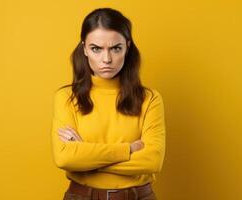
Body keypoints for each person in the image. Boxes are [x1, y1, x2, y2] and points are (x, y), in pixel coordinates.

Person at [50, 7, 166, 200]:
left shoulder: (150, 99)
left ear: (127, 47)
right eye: (96, 48)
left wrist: (87, 156)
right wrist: (128, 149)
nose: (107, 59)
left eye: (116, 48)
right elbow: (65, 158)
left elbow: (152, 161)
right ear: (85, 48)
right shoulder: (66, 97)